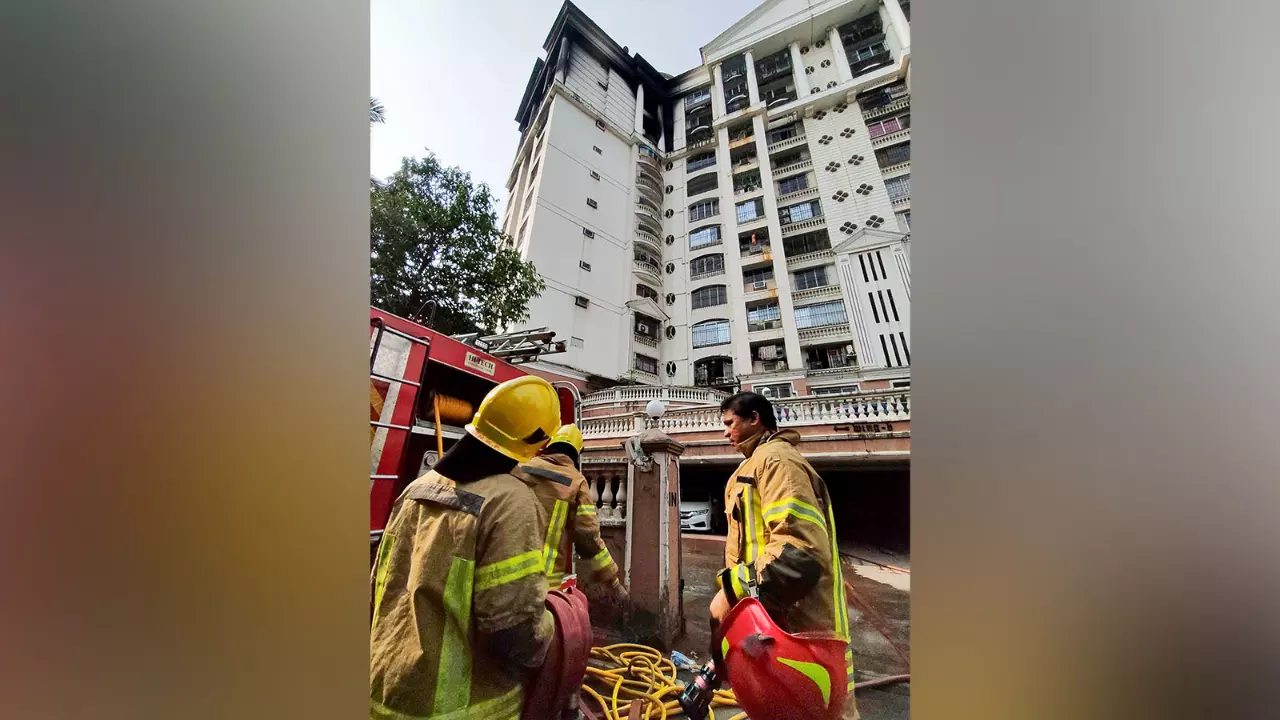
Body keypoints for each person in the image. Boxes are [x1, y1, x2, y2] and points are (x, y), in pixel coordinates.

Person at [370, 376, 563, 719]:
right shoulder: (510, 501)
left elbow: (380, 588)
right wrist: (555, 625)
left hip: (381, 691)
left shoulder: (417, 488)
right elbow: (512, 631)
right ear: (536, 442)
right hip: (459, 709)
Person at [709, 391, 859, 720]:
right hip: (774, 623)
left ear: (754, 419)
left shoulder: (777, 462)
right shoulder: (755, 466)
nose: (724, 432)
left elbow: (800, 549)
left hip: (805, 631)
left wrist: (732, 591)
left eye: (729, 423)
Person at [514, 422, 629, 606]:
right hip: (543, 582)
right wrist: (613, 582)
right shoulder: (576, 482)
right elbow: (588, 538)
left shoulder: (520, 468)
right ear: (576, 453)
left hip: (504, 571)